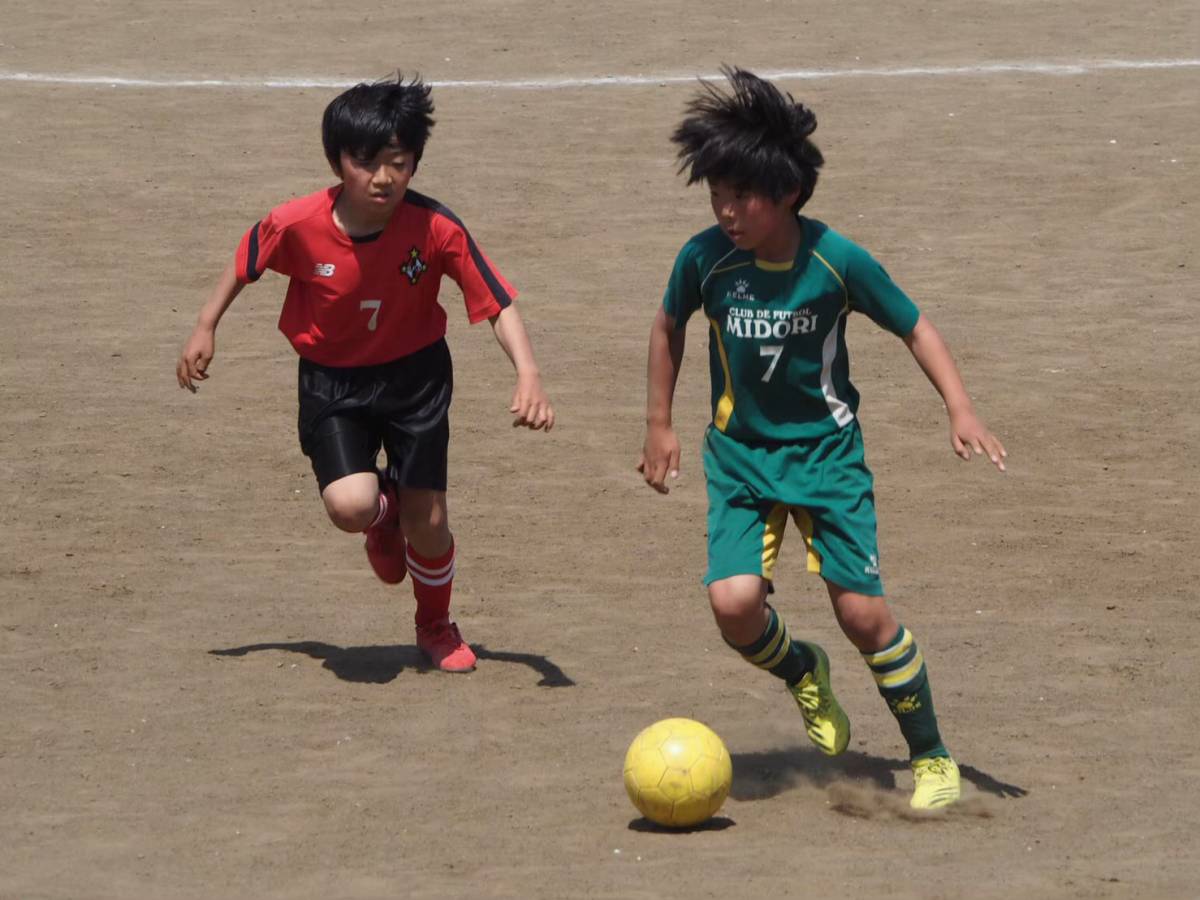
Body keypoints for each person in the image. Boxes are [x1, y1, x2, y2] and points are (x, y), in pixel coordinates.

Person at [638, 67, 1006, 809]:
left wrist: (960, 408)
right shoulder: (705, 259)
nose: (727, 212)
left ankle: (932, 755)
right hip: (740, 459)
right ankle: (803, 670)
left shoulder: (839, 260)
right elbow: (668, 327)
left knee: (863, 615)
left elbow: (915, 326)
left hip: (826, 458)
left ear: (789, 193)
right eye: (716, 196)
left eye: (742, 197)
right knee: (733, 606)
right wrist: (659, 424)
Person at [177, 74, 554, 673]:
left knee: (430, 521)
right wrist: (205, 325)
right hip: (334, 382)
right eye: (367, 163)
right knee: (349, 506)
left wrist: (527, 373)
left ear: (415, 163)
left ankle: (435, 624)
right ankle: (383, 517)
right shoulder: (297, 222)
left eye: (398, 164)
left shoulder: (436, 227)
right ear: (338, 162)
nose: (383, 178)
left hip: (416, 381)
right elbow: (247, 259)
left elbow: (498, 303)